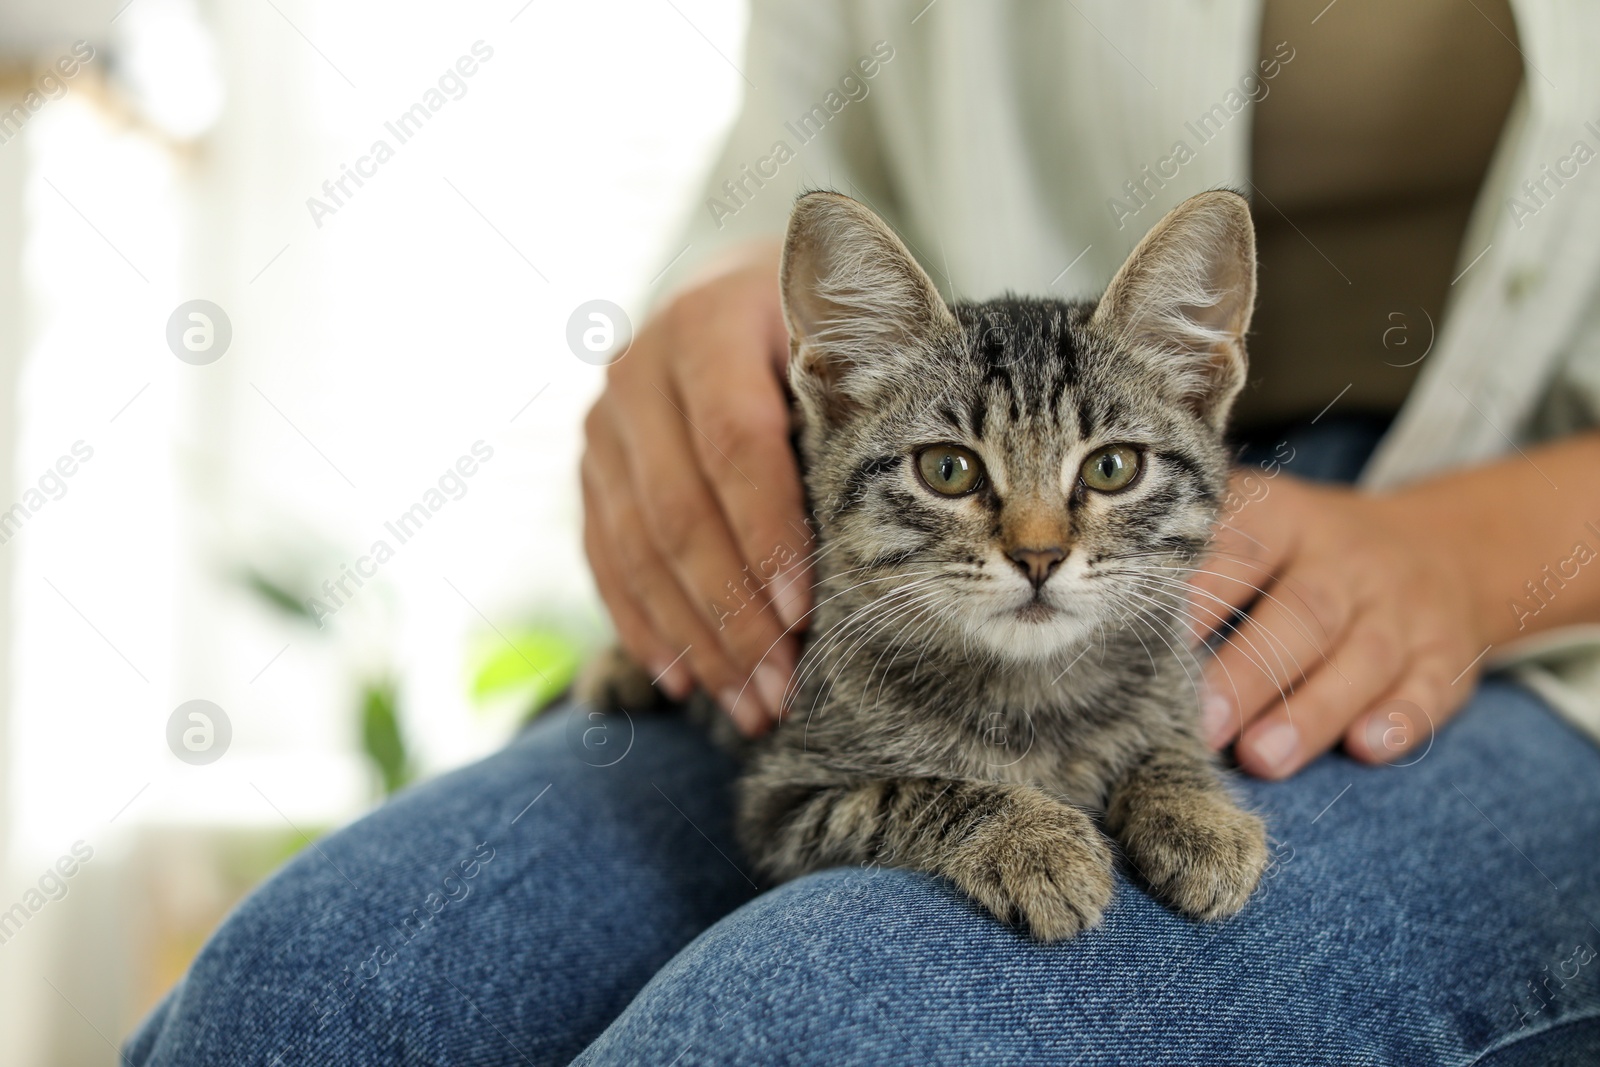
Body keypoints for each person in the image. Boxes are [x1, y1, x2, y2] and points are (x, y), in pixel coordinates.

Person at [127, 2, 1600, 1063]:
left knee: (822, 1020)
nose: (1035, 538)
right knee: (306, 994)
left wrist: (1480, 556)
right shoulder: (980, 509)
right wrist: (731, 313)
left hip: (1524, 588)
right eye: (1000, 501)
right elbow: (793, 151)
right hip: (931, 512)